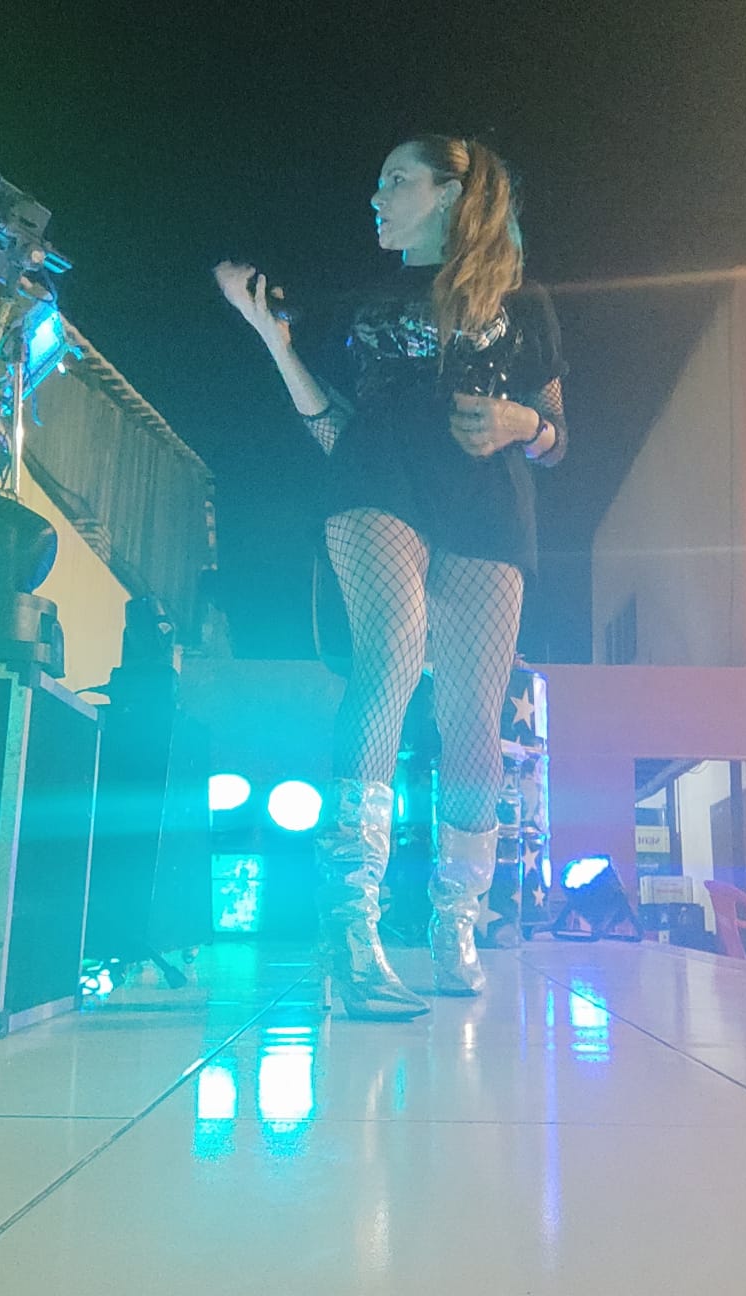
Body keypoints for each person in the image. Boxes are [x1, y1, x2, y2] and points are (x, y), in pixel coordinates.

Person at [214, 134, 567, 1020]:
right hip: (375, 484)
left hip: (487, 504)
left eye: (396, 180)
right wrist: (273, 343)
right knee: (390, 663)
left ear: (450, 193)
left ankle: (457, 919)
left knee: (474, 715)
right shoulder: (360, 301)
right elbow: (336, 429)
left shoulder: (524, 304)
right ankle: (351, 930)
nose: (376, 195)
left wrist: (521, 421)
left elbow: (559, 436)